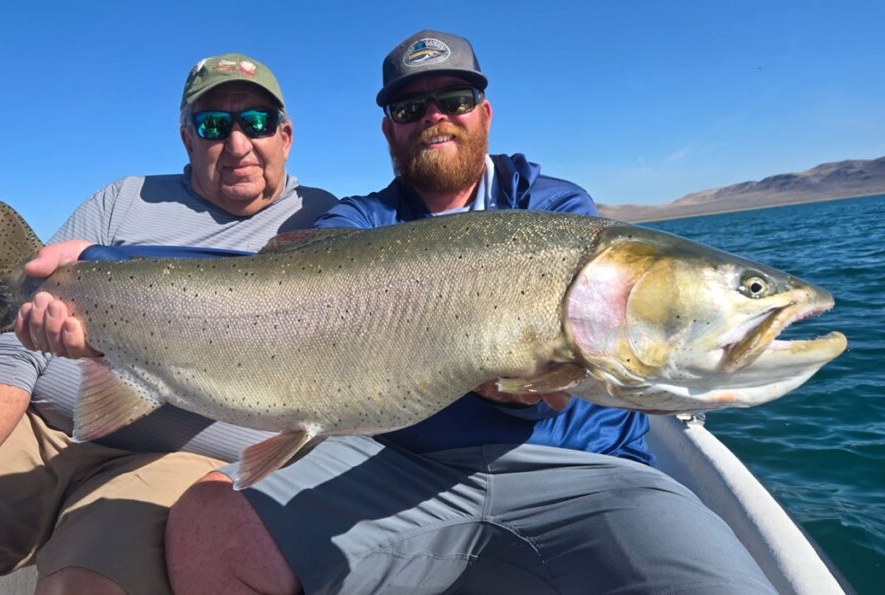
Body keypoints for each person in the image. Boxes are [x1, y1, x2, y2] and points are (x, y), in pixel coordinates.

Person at [159, 31, 779, 594]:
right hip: (399, 469)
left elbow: (612, 357)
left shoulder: (557, 213)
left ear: (483, 113)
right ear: (389, 131)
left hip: (582, 470)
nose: (434, 118)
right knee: (208, 524)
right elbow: (267, 299)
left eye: (453, 100)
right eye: (409, 109)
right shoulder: (355, 225)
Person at [0, 53, 336, 595]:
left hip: (175, 461)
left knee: (84, 585)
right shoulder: (122, 200)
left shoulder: (326, 222)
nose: (236, 143)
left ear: (286, 135)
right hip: (40, 432)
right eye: (212, 125)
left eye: (256, 123)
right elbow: (10, 345)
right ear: (187, 139)